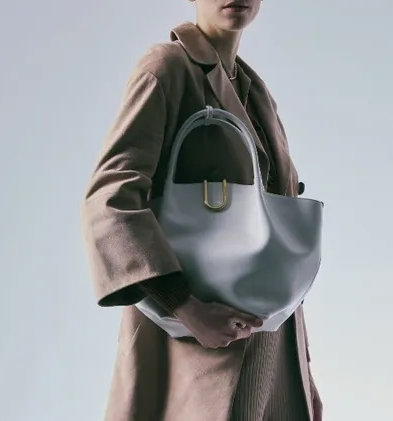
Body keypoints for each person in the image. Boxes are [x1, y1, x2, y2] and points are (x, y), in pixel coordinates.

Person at [81, 1, 322, 420]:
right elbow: (110, 198)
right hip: (199, 344)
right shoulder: (166, 68)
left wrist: (303, 369)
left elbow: (272, 238)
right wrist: (184, 307)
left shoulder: (255, 91)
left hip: (274, 350)